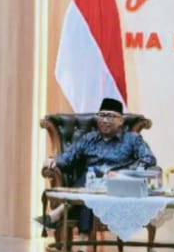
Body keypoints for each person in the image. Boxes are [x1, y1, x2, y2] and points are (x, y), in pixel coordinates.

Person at [36, 97, 157, 233]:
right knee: (91, 179)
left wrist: (124, 173)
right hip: (90, 181)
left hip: (116, 186)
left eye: (110, 116)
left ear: (121, 121)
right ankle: (82, 237)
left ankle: (58, 216)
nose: (104, 120)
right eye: (101, 115)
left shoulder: (132, 139)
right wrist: (53, 160)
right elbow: (68, 158)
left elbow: (149, 158)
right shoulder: (89, 138)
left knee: (92, 182)